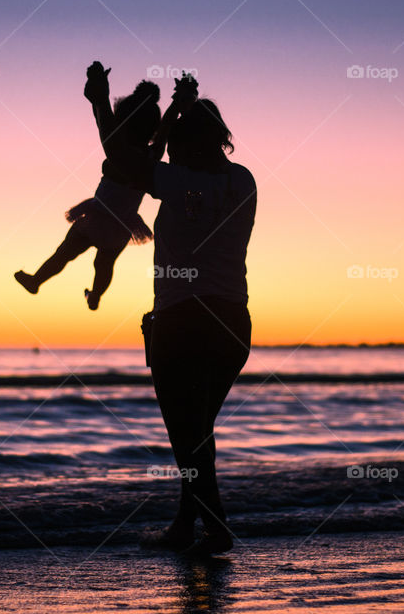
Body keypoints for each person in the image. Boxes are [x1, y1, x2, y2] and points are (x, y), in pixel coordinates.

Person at [84, 62, 256, 555]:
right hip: (232, 325)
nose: (173, 152)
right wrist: (177, 110)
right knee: (197, 431)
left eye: (179, 144)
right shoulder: (244, 181)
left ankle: (217, 527)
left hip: (183, 322)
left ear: (194, 145)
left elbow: (122, 159)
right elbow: (145, 162)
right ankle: (187, 524)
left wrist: (99, 101)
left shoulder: (184, 183)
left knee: (187, 436)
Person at [15, 78, 165, 310]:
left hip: (96, 218)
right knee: (104, 265)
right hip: (121, 225)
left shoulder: (117, 150)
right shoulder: (152, 157)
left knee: (64, 253)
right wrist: (177, 104)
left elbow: (102, 122)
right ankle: (95, 296)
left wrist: (97, 98)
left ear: (122, 122)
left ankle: (36, 281)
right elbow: (163, 134)